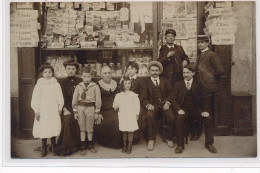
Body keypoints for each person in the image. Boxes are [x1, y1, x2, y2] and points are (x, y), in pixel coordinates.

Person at [171, 64, 217, 153]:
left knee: (208, 118)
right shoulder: (178, 84)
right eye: (184, 72)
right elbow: (172, 98)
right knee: (179, 119)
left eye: (188, 72)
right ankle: (180, 145)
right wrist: (178, 109)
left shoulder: (199, 84)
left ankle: (209, 143)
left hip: (196, 109)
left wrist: (205, 111)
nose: (185, 75)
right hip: (183, 109)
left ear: (193, 73)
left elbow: (207, 97)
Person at [194, 35, 224, 141]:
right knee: (198, 110)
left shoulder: (212, 55)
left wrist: (210, 78)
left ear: (208, 43)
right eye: (199, 42)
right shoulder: (199, 55)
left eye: (202, 42)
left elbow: (220, 70)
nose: (200, 44)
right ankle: (197, 133)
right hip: (198, 88)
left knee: (207, 113)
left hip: (207, 88)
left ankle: (209, 141)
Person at [31, 63, 64, 157]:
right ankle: (44, 146)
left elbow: (60, 97)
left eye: (50, 72)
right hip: (43, 110)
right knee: (44, 127)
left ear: (52, 73)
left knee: (53, 126)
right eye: (45, 72)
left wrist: (60, 108)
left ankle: (54, 145)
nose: (48, 74)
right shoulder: (39, 85)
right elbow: (35, 98)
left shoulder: (56, 84)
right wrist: (36, 110)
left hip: (53, 109)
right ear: (42, 74)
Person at [141, 61, 175, 151]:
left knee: (171, 117)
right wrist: (148, 105)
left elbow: (172, 92)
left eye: (156, 70)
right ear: (149, 71)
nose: (154, 72)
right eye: (152, 70)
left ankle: (169, 137)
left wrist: (167, 102)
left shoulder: (165, 80)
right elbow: (143, 97)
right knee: (149, 115)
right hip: (153, 105)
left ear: (159, 71)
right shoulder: (146, 82)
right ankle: (151, 139)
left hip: (164, 104)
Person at [72, 67, 101, 155]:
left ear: (91, 77)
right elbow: (74, 100)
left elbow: (98, 100)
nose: (87, 78)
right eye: (85, 76)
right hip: (80, 108)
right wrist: (75, 112)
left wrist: (97, 112)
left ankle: (90, 145)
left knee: (90, 128)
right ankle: (83, 146)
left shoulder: (95, 86)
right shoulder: (78, 86)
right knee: (82, 129)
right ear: (82, 77)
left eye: (88, 76)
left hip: (90, 108)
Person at [55, 59, 82, 156]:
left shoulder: (81, 81)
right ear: (66, 70)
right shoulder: (62, 83)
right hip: (67, 108)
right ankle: (67, 145)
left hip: (80, 107)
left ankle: (80, 143)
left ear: (76, 70)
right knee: (67, 120)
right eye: (69, 69)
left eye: (73, 69)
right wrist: (65, 110)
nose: (71, 71)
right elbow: (61, 99)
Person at [94, 66, 122, 149]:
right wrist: (97, 113)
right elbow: (94, 100)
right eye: (105, 73)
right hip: (102, 110)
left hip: (114, 109)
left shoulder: (116, 83)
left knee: (117, 121)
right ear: (101, 75)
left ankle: (119, 143)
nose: (107, 75)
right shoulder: (97, 85)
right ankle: (106, 142)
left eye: (109, 73)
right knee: (105, 123)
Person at [113, 77, 140, 154]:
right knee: (124, 130)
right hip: (123, 115)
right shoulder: (119, 95)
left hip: (131, 115)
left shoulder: (133, 95)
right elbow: (115, 105)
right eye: (125, 83)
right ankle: (124, 145)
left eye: (129, 83)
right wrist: (116, 107)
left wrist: (136, 114)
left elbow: (136, 105)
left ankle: (129, 146)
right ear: (122, 84)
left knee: (130, 130)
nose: (127, 85)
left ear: (131, 84)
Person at [121, 61, 144, 144]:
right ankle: (125, 137)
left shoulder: (139, 80)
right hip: (125, 103)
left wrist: (136, 100)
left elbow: (142, 93)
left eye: (132, 69)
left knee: (135, 117)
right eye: (128, 69)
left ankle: (135, 138)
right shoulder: (125, 79)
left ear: (136, 70)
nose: (130, 70)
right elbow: (121, 90)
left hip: (136, 104)